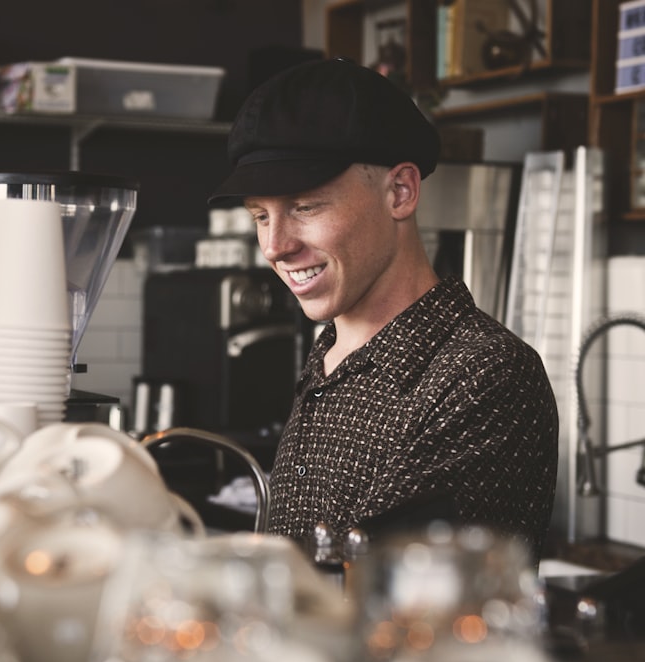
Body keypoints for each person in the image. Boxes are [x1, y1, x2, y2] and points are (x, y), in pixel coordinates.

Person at [208, 57, 559, 562]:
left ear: (400, 191)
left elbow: (401, 610)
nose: (275, 246)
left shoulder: (486, 376)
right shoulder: (330, 355)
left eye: (305, 207)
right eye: (261, 216)